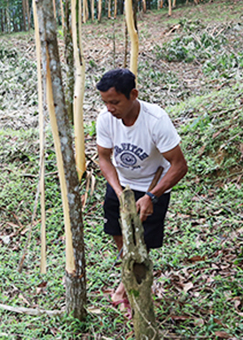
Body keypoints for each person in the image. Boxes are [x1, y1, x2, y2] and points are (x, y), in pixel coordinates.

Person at [95, 68, 188, 318]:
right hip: (122, 184)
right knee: (118, 234)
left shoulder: (155, 120)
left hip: (153, 186)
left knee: (142, 243)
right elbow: (104, 157)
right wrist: (118, 190)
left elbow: (179, 165)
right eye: (105, 102)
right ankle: (127, 282)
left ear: (133, 94)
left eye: (114, 102)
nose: (109, 108)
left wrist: (152, 197)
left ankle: (126, 291)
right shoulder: (105, 119)